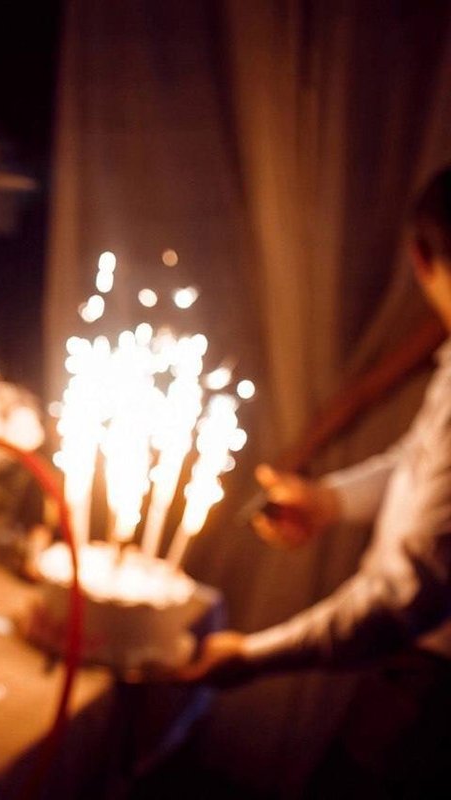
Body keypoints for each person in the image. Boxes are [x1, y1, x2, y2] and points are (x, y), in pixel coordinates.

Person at [180, 167, 451, 793]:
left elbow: (403, 599)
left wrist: (251, 657)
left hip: (430, 695)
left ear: (419, 257)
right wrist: (330, 501)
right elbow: (423, 462)